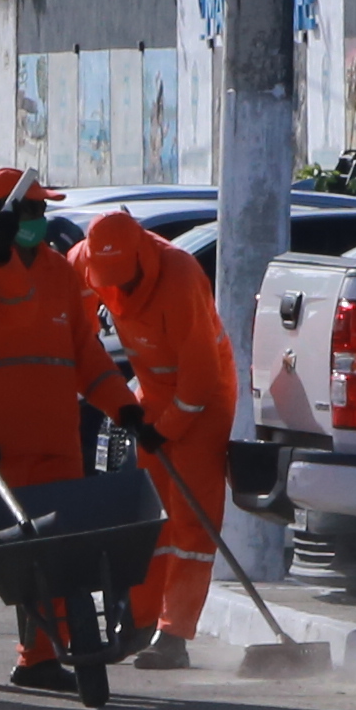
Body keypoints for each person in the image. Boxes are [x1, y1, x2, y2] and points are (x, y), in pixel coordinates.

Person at [0, 170, 131, 694]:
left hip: (54, 446)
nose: (39, 219)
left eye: (40, 210)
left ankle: (39, 658)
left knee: (57, 560)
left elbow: (87, 357)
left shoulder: (58, 273)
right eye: (29, 210)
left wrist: (125, 407)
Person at [74, 206, 234, 666]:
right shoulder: (82, 261)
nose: (118, 289)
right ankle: (138, 622)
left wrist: (167, 429)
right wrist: (125, 405)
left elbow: (200, 376)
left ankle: (175, 633)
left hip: (202, 400)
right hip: (150, 394)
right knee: (148, 516)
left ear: (143, 253)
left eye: (125, 278)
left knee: (191, 520)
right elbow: (78, 330)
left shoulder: (181, 275)